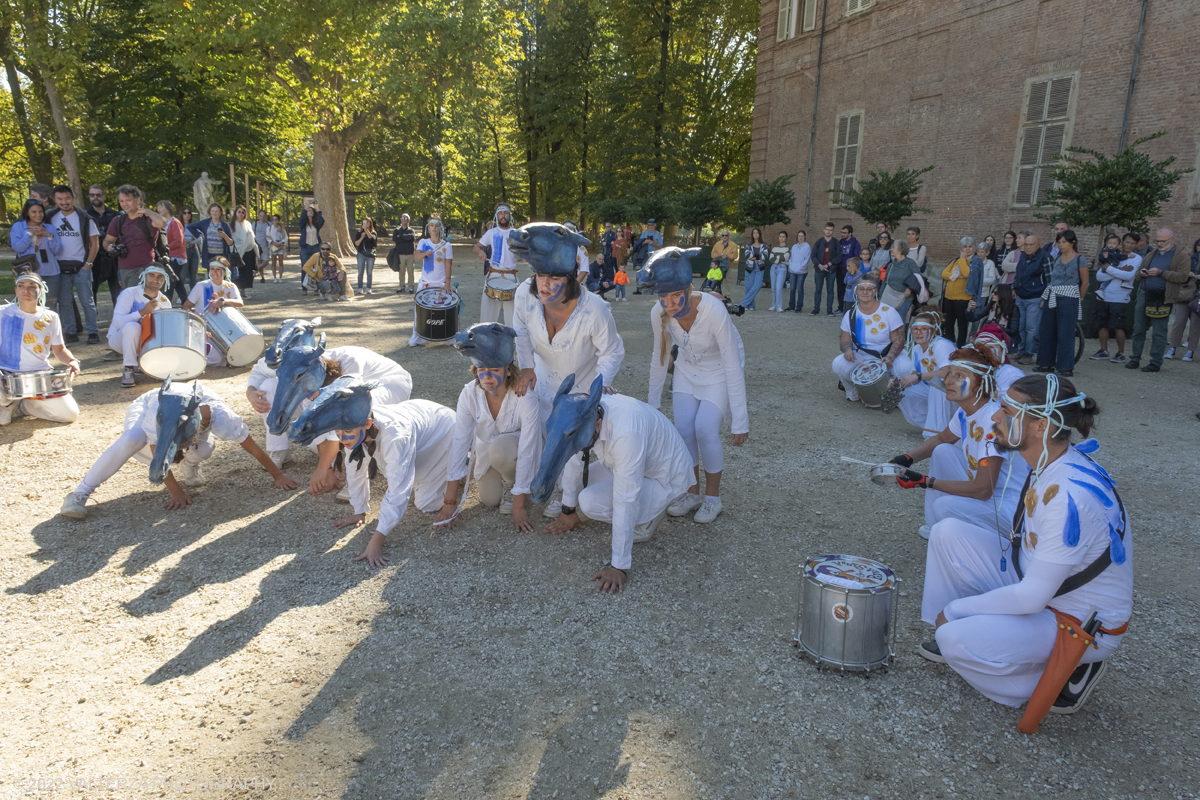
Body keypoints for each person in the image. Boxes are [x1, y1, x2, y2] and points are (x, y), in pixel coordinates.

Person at [919, 374, 1130, 720]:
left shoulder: (1068, 495)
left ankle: (1064, 674)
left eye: (1006, 410)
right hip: (1041, 585)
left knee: (955, 636)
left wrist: (957, 611)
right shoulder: (1053, 460)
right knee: (948, 533)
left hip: (1076, 622)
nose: (996, 418)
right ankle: (962, 635)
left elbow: (1032, 598)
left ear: (1040, 426)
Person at [529, 374, 694, 594]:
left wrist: (619, 566)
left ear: (597, 423)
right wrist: (567, 510)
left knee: (589, 502)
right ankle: (635, 515)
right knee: (577, 490)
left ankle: (646, 521)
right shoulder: (586, 413)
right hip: (627, 464)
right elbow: (573, 456)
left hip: (663, 478)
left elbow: (626, 498)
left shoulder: (627, 432)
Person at [509, 220, 625, 520]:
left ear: (570, 277)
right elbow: (519, 330)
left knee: (571, 444)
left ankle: (566, 499)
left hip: (581, 385)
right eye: (539, 275)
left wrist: (595, 390)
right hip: (543, 377)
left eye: (553, 277)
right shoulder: (525, 294)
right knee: (542, 435)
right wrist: (525, 367)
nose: (544, 284)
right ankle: (536, 484)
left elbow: (613, 351)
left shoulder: (595, 310)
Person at [58, 378, 297, 520]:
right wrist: (176, 492)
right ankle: (80, 493)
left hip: (195, 419)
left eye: (181, 443)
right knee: (132, 438)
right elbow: (157, 452)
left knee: (203, 451)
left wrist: (277, 475)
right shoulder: (155, 416)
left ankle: (189, 465)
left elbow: (251, 446)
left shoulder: (221, 416)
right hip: (150, 405)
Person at [289, 378, 455, 568]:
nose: (342, 438)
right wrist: (359, 510)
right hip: (421, 427)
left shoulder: (395, 436)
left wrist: (376, 541)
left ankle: (460, 468)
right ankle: (435, 474)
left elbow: (398, 490)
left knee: (426, 503)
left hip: (445, 433)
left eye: (347, 431)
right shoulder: (353, 431)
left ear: (368, 423)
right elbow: (355, 468)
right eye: (338, 431)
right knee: (401, 470)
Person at [645, 247, 748, 524]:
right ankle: (692, 493)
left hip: (719, 371)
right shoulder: (659, 313)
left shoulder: (714, 311)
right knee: (683, 431)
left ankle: (713, 499)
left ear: (690, 288)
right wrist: (653, 404)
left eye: (676, 294)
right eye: (662, 295)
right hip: (687, 371)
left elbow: (732, 363)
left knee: (705, 429)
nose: (669, 302)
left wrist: (740, 419)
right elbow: (660, 357)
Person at [888, 343, 1030, 540]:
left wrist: (925, 482)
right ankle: (936, 528)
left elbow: (983, 490)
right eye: (950, 373)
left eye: (960, 376)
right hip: (993, 494)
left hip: (1012, 510)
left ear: (980, 383)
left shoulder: (992, 420)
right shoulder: (967, 411)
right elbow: (942, 438)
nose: (948, 381)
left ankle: (989, 542)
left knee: (944, 506)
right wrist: (906, 458)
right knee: (943, 450)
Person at [438, 323, 542, 532]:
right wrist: (450, 503)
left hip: (516, 452)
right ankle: (499, 475)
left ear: (509, 371)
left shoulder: (526, 398)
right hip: (489, 450)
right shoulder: (469, 394)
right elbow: (460, 441)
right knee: (489, 500)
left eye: (494, 370)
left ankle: (512, 484)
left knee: (501, 449)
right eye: (481, 370)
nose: (487, 376)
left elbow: (529, 449)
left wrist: (518, 506)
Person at [0, 272, 81, 426]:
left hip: (39, 376)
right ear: (16, 290)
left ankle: (26, 405)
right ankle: (7, 403)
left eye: (32, 287)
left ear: (41, 290)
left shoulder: (51, 317)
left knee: (69, 414)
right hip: (4, 374)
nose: (26, 290)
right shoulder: (2, 312)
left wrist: (72, 361)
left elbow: (59, 350)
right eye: (21, 286)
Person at [1127, 227, 1192, 372]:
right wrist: (1142, 274)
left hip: (1163, 296)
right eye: (1158, 240)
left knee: (1159, 331)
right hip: (1145, 294)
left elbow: (1182, 276)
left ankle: (1155, 362)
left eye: (1163, 241)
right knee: (1138, 329)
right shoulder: (1151, 254)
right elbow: (1137, 274)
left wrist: (1161, 273)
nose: (1160, 243)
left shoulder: (1180, 255)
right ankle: (1135, 358)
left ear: (1172, 240)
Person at [831, 279, 904, 404]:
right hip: (861, 354)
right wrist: (848, 350)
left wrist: (891, 357)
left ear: (875, 291)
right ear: (856, 292)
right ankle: (854, 392)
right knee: (838, 364)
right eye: (861, 289)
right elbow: (844, 341)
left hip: (887, 353)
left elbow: (899, 340)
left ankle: (897, 396)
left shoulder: (889, 312)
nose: (865, 292)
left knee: (904, 368)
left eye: (869, 289)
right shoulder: (850, 314)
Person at [46, 185, 100, 345]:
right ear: (55, 200)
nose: (64, 202)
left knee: (87, 301)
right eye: (60, 199)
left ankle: (93, 332)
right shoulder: (49, 218)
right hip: (59, 267)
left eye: (67, 198)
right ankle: (70, 332)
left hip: (82, 266)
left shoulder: (85, 218)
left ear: (73, 198)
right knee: (64, 302)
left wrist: (88, 264)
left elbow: (95, 244)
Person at [894, 311, 957, 437]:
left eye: (924, 329)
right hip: (933, 389)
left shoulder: (941, 345)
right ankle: (933, 427)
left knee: (937, 385)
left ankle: (937, 432)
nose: (919, 332)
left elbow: (947, 372)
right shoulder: (917, 348)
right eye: (915, 329)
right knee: (900, 390)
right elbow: (915, 375)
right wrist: (900, 382)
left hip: (955, 392)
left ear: (934, 330)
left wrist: (918, 376)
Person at [1035, 229, 1088, 378]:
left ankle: (1065, 366)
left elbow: (1085, 283)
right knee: (1047, 330)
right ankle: (1046, 363)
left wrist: (1079, 298)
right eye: (1059, 242)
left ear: (1073, 242)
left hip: (1069, 296)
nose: (1061, 245)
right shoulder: (1056, 258)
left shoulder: (1079, 259)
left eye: (1064, 242)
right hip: (1053, 295)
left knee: (1066, 333)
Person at [109, 265, 173, 388]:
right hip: (119, 340)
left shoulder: (165, 302)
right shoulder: (129, 293)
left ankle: (142, 362)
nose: (155, 279)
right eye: (151, 275)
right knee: (133, 326)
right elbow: (116, 323)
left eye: (160, 276)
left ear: (164, 280)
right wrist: (142, 312)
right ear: (144, 276)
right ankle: (128, 368)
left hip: (146, 344)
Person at [102, 185, 170, 289]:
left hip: (144, 268)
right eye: (121, 201)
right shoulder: (118, 220)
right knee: (131, 301)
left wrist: (147, 211)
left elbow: (162, 223)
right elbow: (107, 241)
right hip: (124, 269)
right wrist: (109, 247)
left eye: (128, 200)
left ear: (138, 200)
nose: (124, 204)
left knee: (136, 300)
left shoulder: (147, 218)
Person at [1088, 232, 1140, 364]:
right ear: (1122, 242)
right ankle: (1103, 350)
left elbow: (1129, 276)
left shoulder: (1136, 258)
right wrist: (1120, 270)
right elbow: (1100, 276)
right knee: (1102, 325)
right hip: (1103, 296)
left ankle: (1120, 352)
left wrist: (1109, 269)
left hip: (1120, 297)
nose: (1129, 245)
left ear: (1136, 245)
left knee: (1118, 326)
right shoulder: (1111, 253)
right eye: (1127, 242)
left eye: (1132, 243)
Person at [183, 258, 244, 367]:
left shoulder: (231, 286)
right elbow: (186, 307)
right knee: (219, 361)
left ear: (225, 272)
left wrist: (223, 300)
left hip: (228, 326)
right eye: (212, 269)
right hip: (205, 329)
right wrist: (194, 317)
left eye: (218, 269)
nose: (214, 272)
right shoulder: (201, 286)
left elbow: (240, 302)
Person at [407, 217, 452, 346]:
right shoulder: (423, 242)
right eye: (431, 225)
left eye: (436, 226)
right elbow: (415, 257)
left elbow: (448, 265)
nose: (434, 228)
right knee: (420, 312)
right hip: (425, 283)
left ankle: (448, 336)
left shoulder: (446, 245)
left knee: (444, 311)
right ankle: (418, 337)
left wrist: (447, 282)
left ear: (440, 228)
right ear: (428, 228)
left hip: (441, 283)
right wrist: (425, 254)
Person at [474, 204, 518, 322]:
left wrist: (520, 257)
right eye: (500, 213)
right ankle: (487, 339)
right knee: (487, 315)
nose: (503, 216)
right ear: (496, 216)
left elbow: (522, 255)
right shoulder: (491, 233)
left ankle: (513, 340)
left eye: (505, 213)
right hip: (493, 274)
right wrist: (480, 252)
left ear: (509, 215)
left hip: (511, 275)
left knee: (513, 316)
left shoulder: (516, 233)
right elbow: (476, 247)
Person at [11, 198, 63, 298]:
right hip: (28, 272)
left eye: (40, 211)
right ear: (27, 213)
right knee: (29, 304)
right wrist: (29, 234)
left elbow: (58, 251)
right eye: (34, 212)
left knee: (50, 304)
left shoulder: (50, 228)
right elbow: (18, 248)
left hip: (51, 272)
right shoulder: (18, 227)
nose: (38, 215)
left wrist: (49, 236)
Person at [1012, 232, 1048, 364]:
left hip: (1035, 297)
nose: (1028, 247)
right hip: (1021, 296)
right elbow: (1018, 274)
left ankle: (1029, 354)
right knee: (1020, 326)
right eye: (1026, 244)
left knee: (1031, 328)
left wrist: (1045, 297)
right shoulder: (1023, 256)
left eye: (1031, 244)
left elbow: (1050, 280)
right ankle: (1021, 351)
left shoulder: (1045, 257)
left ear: (1038, 245)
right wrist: (1015, 287)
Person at [84, 185, 121, 307]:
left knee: (117, 292)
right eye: (92, 195)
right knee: (91, 291)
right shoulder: (84, 215)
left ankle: (119, 318)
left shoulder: (116, 215)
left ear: (104, 196)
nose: (95, 197)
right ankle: (93, 321)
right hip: (94, 258)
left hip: (113, 257)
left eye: (98, 194)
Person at [1165, 235, 1200, 362]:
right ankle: (1173, 348)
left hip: (1199, 296)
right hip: (1186, 292)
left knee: (1195, 325)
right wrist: (1188, 275)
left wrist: (1197, 277)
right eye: (1199, 244)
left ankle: (1190, 351)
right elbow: (1181, 273)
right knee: (1179, 322)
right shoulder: (1191, 258)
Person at [185, 203, 234, 286]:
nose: (215, 213)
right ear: (210, 212)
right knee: (210, 276)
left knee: (222, 276)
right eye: (213, 211)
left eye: (217, 211)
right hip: (208, 254)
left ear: (221, 213)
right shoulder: (205, 223)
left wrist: (224, 235)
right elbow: (190, 226)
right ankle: (211, 294)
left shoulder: (225, 225)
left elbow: (231, 243)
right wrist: (199, 234)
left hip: (221, 255)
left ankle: (222, 293)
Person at [941, 237, 976, 347]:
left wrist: (962, 259)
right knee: (948, 323)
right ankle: (950, 343)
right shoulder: (954, 261)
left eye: (970, 246)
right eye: (965, 247)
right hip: (949, 297)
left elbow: (966, 274)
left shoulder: (974, 261)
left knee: (962, 324)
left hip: (963, 299)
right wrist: (955, 276)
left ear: (974, 248)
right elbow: (944, 274)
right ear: (961, 248)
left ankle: (960, 346)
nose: (967, 249)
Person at [967, 284, 1021, 352]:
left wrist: (1000, 328)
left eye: (995, 293)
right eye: (992, 292)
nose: (992, 294)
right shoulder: (991, 305)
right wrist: (969, 309)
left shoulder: (1013, 309)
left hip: (1005, 339)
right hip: (991, 336)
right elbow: (973, 318)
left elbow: (1013, 331)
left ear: (1003, 294)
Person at [156, 200, 191, 304]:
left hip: (176, 256)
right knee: (177, 280)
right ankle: (186, 302)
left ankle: (167, 304)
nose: (159, 209)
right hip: (168, 256)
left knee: (170, 281)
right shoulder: (162, 222)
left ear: (167, 208)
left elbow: (178, 241)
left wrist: (165, 248)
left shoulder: (175, 222)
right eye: (158, 207)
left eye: (161, 207)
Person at [880, 239, 919, 321]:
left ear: (900, 250)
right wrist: (880, 296)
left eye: (893, 247)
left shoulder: (910, 263)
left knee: (900, 324)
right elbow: (885, 282)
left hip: (904, 299)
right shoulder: (891, 265)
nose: (891, 249)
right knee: (886, 322)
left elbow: (917, 277)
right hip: (888, 298)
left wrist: (909, 288)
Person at [811, 223, 842, 316]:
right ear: (824, 230)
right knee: (818, 290)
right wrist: (819, 264)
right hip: (819, 270)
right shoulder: (819, 242)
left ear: (833, 231)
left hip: (831, 270)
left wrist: (829, 264)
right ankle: (816, 309)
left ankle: (829, 310)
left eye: (831, 230)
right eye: (827, 229)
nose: (829, 231)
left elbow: (839, 256)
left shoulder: (836, 242)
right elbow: (813, 255)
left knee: (830, 290)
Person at [228, 205, 258, 298]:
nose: (241, 214)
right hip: (237, 251)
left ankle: (243, 292)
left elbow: (251, 236)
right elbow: (232, 238)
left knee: (246, 272)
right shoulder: (231, 225)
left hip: (248, 251)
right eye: (239, 212)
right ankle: (235, 293)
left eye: (243, 212)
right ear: (236, 213)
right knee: (237, 273)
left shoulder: (248, 224)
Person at [741, 228, 767, 311]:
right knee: (749, 287)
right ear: (752, 234)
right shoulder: (748, 245)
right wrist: (758, 256)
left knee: (757, 285)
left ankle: (743, 303)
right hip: (749, 268)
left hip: (760, 268)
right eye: (754, 233)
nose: (755, 234)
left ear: (759, 234)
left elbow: (765, 256)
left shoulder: (764, 245)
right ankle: (751, 305)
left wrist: (754, 257)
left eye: (757, 233)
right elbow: (747, 255)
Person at [838, 225, 861, 312]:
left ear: (850, 233)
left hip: (850, 269)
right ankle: (841, 307)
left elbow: (856, 257)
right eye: (841, 232)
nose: (842, 234)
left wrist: (853, 270)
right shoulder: (840, 242)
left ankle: (851, 307)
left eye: (844, 233)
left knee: (850, 288)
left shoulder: (855, 243)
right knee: (840, 289)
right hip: (840, 268)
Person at [392, 213, 417, 294]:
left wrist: (401, 236)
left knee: (410, 271)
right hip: (400, 254)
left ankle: (411, 287)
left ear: (409, 220)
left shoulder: (411, 230)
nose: (404, 219)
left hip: (410, 254)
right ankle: (401, 287)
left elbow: (411, 238)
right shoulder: (397, 230)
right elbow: (395, 239)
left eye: (406, 218)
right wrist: (405, 237)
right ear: (400, 219)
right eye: (402, 218)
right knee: (401, 271)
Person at [786, 229, 810, 312]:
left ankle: (799, 306)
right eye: (799, 236)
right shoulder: (794, 246)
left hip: (802, 271)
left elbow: (807, 259)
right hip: (793, 271)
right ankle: (791, 306)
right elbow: (791, 258)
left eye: (802, 236)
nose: (800, 238)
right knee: (792, 288)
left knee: (799, 288)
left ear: (804, 237)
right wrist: (791, 266)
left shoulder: (807, 247)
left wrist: (801, 267)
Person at [354, 217, 378, 295]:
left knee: (369, 272)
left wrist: (367, 231)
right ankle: (360, 288)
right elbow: (356, 244)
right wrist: (362, 236)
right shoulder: (359, 233)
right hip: (361, 254)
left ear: (370, 224)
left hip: (370, 255)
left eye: (368, 222)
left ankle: (368, 288)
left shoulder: (373, 232)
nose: (366, 224)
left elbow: (372, 239)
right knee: (360, 271)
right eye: (365, 222)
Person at [711, 230, 740, 295]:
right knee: (716, 280)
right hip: (717, 266)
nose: (724, 237)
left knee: (726, 281)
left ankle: (727, 296)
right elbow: (713, 254)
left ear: (729, 236)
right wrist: (717, 255)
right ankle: (716, 294)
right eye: (723, 235)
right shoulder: (717, 244)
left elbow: (735, 255)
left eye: (726, 235)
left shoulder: (733, 245)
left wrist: (727, 256)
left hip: (727, 266)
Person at [297, 202, 324, 269]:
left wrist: (317, 208)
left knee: (317, 266)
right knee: (305, 267)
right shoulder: (303, 224)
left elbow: (322, 220)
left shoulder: (316, 224)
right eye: (308, 210)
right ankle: (304, 280)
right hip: (305, 247)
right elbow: (302, 218)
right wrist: (306, 207)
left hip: (315, 247)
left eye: (312, 210)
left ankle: (316, 279)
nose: (310, 212)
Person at [768, 230, 790, 312]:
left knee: (779, 287)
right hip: (773, 268)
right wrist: (779, 258)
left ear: (786, 238)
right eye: (780, 236)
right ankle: (774, 305)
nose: (781, 238)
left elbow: (785, 257)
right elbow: (770, 259)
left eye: (783, 237)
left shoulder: (787, 248)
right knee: (773, 287)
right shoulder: (774, 248)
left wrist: (776, 258)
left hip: (782, 268)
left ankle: (779, 306)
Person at [267, 215, 287, 283]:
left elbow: (285, 237)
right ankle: (275, 277)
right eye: (273, 220)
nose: (274, 221)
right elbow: (268, 237)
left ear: (278, 220)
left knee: (281, 262)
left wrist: (281, 243)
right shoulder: (269, 228)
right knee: (273, 262)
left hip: (280, 245)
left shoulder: (282, 229)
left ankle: (280, 277)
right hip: (273, 245)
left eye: (276, 220)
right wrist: (273, 243)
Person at [253, 209, 272, 282]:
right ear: (258, 216)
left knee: (266, 262)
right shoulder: (254, 224)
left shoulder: (269, 224)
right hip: (257, 245)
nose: (262, 217)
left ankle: (254, 271)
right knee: (259, 261)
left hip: (265, 245)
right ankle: (262, 277)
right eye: (261, 216)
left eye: (264, 216)